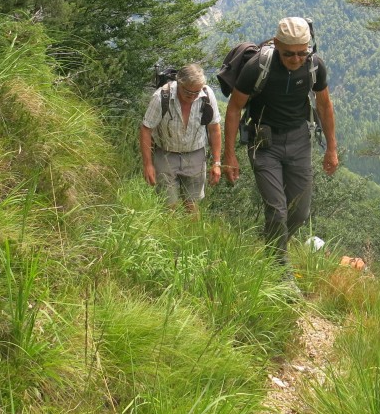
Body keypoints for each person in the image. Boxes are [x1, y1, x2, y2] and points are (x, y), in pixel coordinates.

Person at [223, 17, 338, 267]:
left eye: (301, 53)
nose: (296, 59)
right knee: (277, 210)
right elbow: (234, 108)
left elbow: (324, 105)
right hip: (264, 143)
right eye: (288, 54)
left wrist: (331, 149)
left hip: (299, 140)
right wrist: (228, 155)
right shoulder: (257, 67)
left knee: (299, 212)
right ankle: (279, 268)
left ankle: (272, 249)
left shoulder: (315, 66)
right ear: (276, 44)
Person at [140, 64, 222, 214]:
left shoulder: (207, 95)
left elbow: (214, 128)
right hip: (165, 155)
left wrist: (216, 162)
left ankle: (191, 234)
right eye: (187, 92)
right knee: (168, 206)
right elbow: (146, 129)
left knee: (192, 206)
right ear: (179, 83)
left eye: (196, 92)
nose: (192, 96)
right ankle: (168, 235)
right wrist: (148, 164)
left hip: (195, 155)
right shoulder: (161, 97)